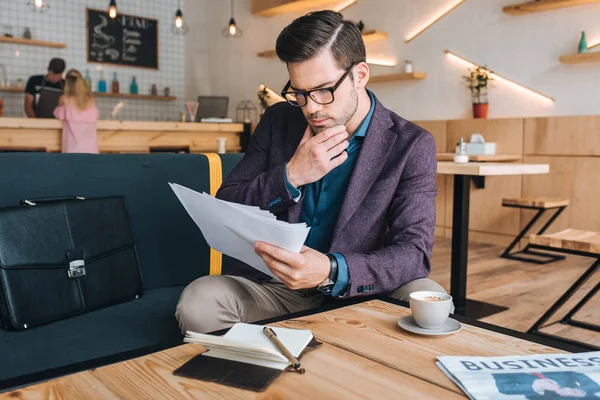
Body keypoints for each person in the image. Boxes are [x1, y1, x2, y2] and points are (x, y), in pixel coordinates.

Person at [176, 10, 448, 334]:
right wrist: (291, 175)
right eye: (299, 93)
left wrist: (332, 271)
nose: (311, 108)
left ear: (360, 75)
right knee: (198, 304)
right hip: (277, 290)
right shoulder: (279, 120)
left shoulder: (411, 144)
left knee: (430, 298)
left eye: (323, 90)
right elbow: (229, 201)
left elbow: (413, 254)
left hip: (359, 293)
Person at [53, 69, 99, 154]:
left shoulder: (65, 100)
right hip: (91, 150)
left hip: (72, 150)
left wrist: (59, 104)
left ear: (67, 84)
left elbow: (57, 114)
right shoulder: (91, 101)